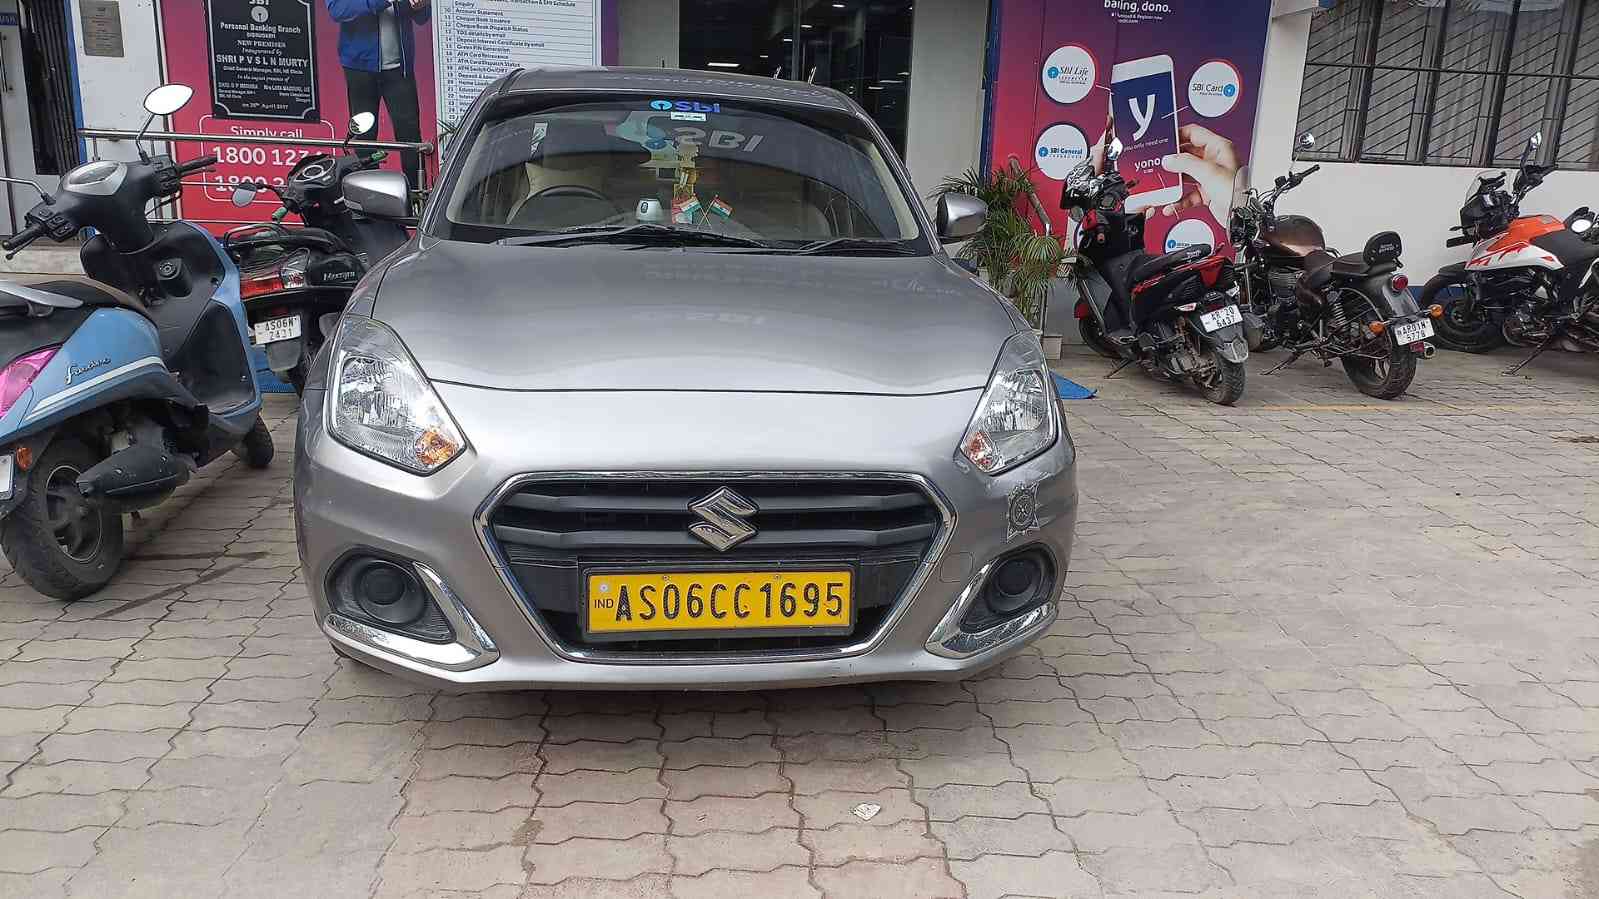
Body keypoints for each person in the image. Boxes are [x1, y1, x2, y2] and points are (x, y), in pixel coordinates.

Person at [325, 0, 430, 191]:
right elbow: (338, 10)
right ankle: (369, 196)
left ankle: (416, 197)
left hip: (400, 68)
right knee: (365, 137)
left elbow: (422, 17)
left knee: (410, 137)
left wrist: (420, 6)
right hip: (360, 69)